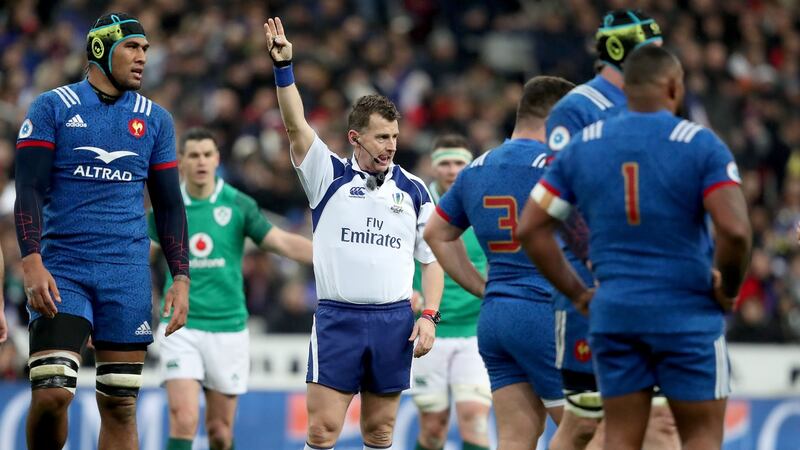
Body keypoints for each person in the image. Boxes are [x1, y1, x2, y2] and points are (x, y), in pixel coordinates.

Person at [519, 45, 751, 450]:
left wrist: (578, 293)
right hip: (687, 312)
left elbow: (531, 228)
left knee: (620, 439)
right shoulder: (699, 143)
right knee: (698, 437)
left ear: (625, 88)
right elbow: (735, 232)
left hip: (615, 312)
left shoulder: (585, 145)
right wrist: (727, 291)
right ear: (674, 87)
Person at [263, 17, 444, 450]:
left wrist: (430, 317)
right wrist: (284, 69)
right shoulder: (327, 176)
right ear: (355, 138)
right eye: (381, 137)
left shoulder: (415, 191)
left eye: (395, 137)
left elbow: (431, 259)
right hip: (337, 320)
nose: (390, 146)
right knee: (322, 432)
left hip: (393, 321)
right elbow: (295, 126)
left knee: (379, 433)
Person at [13, 12, 189, 450]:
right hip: (63, 269)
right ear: (100, 49)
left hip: (126, 274)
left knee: (120, 404)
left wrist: (181, 276)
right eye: (132, 47)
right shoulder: (52, 107)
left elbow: (169, 205)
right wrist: (31, 260)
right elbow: (29, 188)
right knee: (53, 393)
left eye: (146, 49)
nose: (142, 58)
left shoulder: (156, 120)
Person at [543, 10, 679, 450]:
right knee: (588, 424)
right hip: (594, 285)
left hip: (650, 285)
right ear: (618, 50)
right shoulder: (578, 108)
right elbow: (561, 205)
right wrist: (598, 265)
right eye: (651, 51)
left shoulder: (653, 107)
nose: (662, 61)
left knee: (658, 420)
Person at [424, 76, 575, 450]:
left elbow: (436, 233)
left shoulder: (477, 168)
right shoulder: (558, 166)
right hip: (545, 313)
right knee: (586, 430)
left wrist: (482, 287)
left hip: (495, 317)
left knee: (515, 439)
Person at [148, 128, 313, 450]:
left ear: (217, 160)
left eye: (207, 155)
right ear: (180, 162)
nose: (201, 162)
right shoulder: (166, 208)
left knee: (220, 432)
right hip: (180, 325)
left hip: (229, 326)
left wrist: (333, 256)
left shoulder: (237, 204)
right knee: (183, 418)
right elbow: (139, 256)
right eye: (193, 155)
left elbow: (280, 242)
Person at [410, 134, 491, 450]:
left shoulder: (485, 207)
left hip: (475, 331)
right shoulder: (417, 207)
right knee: (433, 428)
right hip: (430, 330)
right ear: (433, 167)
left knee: (474, 418)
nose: (452, 169)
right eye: (445, 163)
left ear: (470, 167)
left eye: (460, 162)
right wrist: (409, 292)